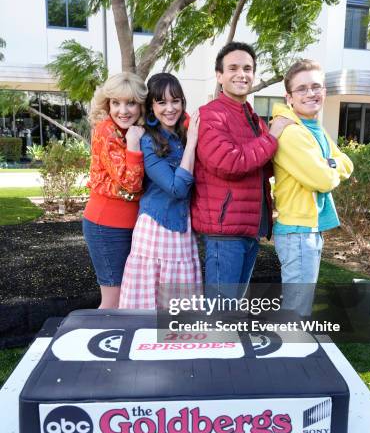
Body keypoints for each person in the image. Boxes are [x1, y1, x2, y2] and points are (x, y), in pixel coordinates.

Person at [191, 41, 292, 301]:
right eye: (233, 68)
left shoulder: (252, 117)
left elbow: (262, 164)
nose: (242, 74)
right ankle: (216, 342)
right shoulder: (211, 115)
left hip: (250, 226)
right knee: (221, 309)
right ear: (219, 75)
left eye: (247, 68)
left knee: (233, 306)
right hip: (225, 230)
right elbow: (229, 163)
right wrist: (273, 136)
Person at [271, 58, 354, 317]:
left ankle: (292, 349)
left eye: (316, 87)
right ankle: (289, 354)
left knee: (299, 307)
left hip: (309, 228)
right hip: (298, 231)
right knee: (296, 311)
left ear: (325, 92)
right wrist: (329, 166)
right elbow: (324, 180)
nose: (311, 93)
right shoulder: (291, 132)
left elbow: (346, 163)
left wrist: (327, 164)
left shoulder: (313, 128)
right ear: (289, 97)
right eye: (302, 88)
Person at [120, 73, 201, 311]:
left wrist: (191, 139)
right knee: (149, 305)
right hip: (156, 227)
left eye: (175, 101)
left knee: (178, 307)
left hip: (182, 227)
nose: (170, 108)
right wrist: (193, 143)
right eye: (162, 102)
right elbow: (177, 188)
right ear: (151, 106)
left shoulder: (183, 136)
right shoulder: (148, 141)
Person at [83, 72, 147, 309]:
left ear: (141, 105)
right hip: (106, 225)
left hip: (132, 224)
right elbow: (130, 183)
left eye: (131, 103)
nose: (123, 110)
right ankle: (98, 343)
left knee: (129, 299)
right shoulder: (106, 131)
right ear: (107, 104)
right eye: (116, 103)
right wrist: (133, 144)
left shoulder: (134, 129)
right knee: (114, 301)